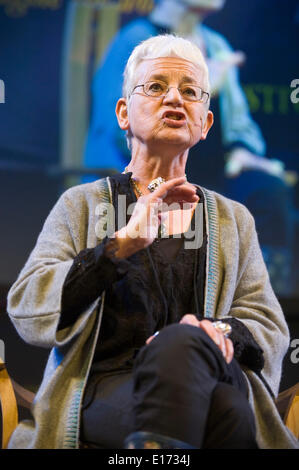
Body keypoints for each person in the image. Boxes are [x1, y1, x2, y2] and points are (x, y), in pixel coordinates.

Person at [7, 35, 298, 449]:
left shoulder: (234, 219)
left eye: (191, 91)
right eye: (157, 86)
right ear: (124, 114)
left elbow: (268, 327)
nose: (174, 98)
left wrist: (212, 333)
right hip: (110, 386)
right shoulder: (82, 205)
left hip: (215, 377)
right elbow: (28, 308)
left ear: (206, 123)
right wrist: (120, 245)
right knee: (229, 413)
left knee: (190, 349)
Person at [82, 0, 297, 295]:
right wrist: (197, 95)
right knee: (180, 206)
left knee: (267, 191)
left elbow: (239, 126)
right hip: (150, 177)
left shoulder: (216, 44)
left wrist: (240, 150)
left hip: (213, 178)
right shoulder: (137, 41)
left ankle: (261, 308)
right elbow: (121, 129)